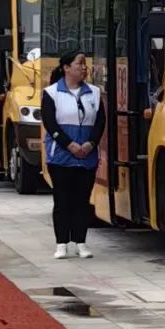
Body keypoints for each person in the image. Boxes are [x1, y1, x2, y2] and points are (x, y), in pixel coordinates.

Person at [41, 50, 104, 259]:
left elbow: (100, 122)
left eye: (85, 64)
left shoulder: (94, 92)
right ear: (67, 68)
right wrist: (69, 145)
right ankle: (61, 243)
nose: (84, 68)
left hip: (87, 156)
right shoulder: (51, 93)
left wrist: (90, 143)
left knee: (82, 201)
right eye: (79, 64)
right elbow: (50, 123)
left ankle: (81, 242)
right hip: (60, 156)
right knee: (62, 201)